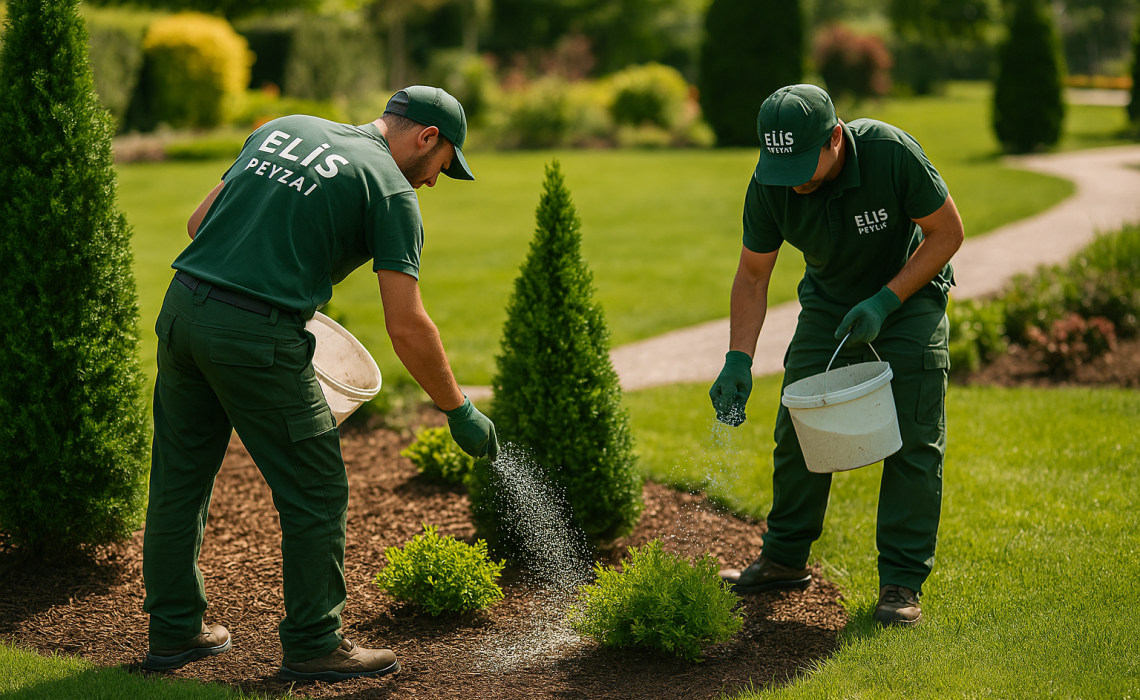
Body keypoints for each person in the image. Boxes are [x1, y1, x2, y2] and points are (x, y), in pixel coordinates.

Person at [141, 86, 498, 681]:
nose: (435, 180)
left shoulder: (286, 127)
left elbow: (198, 222)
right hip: (257, 340)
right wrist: (456, 407)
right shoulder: (389, 190)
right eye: (443, 165)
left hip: (182, 313)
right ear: (427, 137)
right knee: (316, 492)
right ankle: (314, 643)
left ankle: (174, 631)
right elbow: (406, 324)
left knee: (180, 481)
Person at [710, 84, 964, 627]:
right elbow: (754, 274)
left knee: (914, 438)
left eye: (805, 163)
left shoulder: (891, 153)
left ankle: (901, 582)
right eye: (784, 167)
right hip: (829, 307)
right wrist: (738, 359)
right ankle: (784, 559)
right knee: (799, 426)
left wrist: (886, 299)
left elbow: (946, 234)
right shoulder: (771, 182)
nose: (795, 180)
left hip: (909, 299)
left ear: (835, 137)